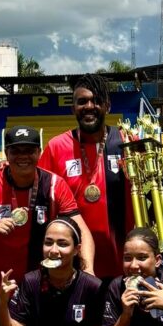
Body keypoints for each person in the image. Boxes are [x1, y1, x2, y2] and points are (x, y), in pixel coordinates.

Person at [0, 126, 91, 326]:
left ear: (39, 153)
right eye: (16, 151)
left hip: (41, 286)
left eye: (29, 150)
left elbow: (81, 230)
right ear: (7, 153)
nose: (23, 156)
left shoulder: (54, 184)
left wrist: (88, 272)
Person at [39, 73, 128, 279]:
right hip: (71, 264)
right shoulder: (56, 147)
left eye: (96, 101)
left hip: (121, 261)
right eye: (82, 101)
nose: (89, 106)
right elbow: (37, 188)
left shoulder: (126, 142)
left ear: (107, 106)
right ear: (73, 108)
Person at [0, 217, 102, 326]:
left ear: (77, 250)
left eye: (62, 244)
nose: (53, 250)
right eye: (48, 243)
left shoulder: (92, 287)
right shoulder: (30, 282)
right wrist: (2, 302)